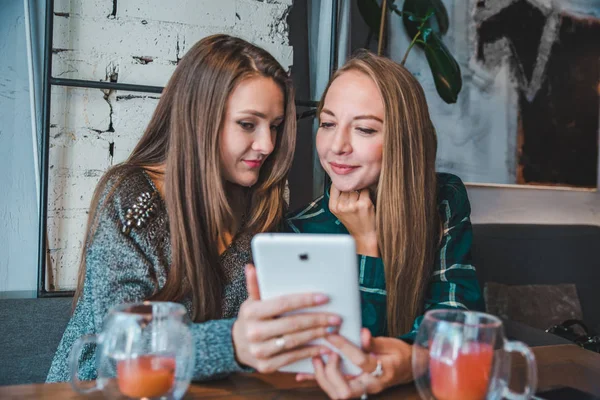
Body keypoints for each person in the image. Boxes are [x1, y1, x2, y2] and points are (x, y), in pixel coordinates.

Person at [47, 34, 342, 383]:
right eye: (248, 124)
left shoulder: (259, 203)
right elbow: (120, 353)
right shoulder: (134, 199)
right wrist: (233, 343)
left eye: (275, 127)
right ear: (200, 118)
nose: (266, 145)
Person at [283, 50, 485, 399]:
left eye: (363, 128)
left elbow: (459, 320)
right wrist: (366, 245)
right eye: (328, 124)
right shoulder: (301, 229)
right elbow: (351, 355)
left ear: (402, 138)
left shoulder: (443, 199)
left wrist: (411, 359)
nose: (337, 146)